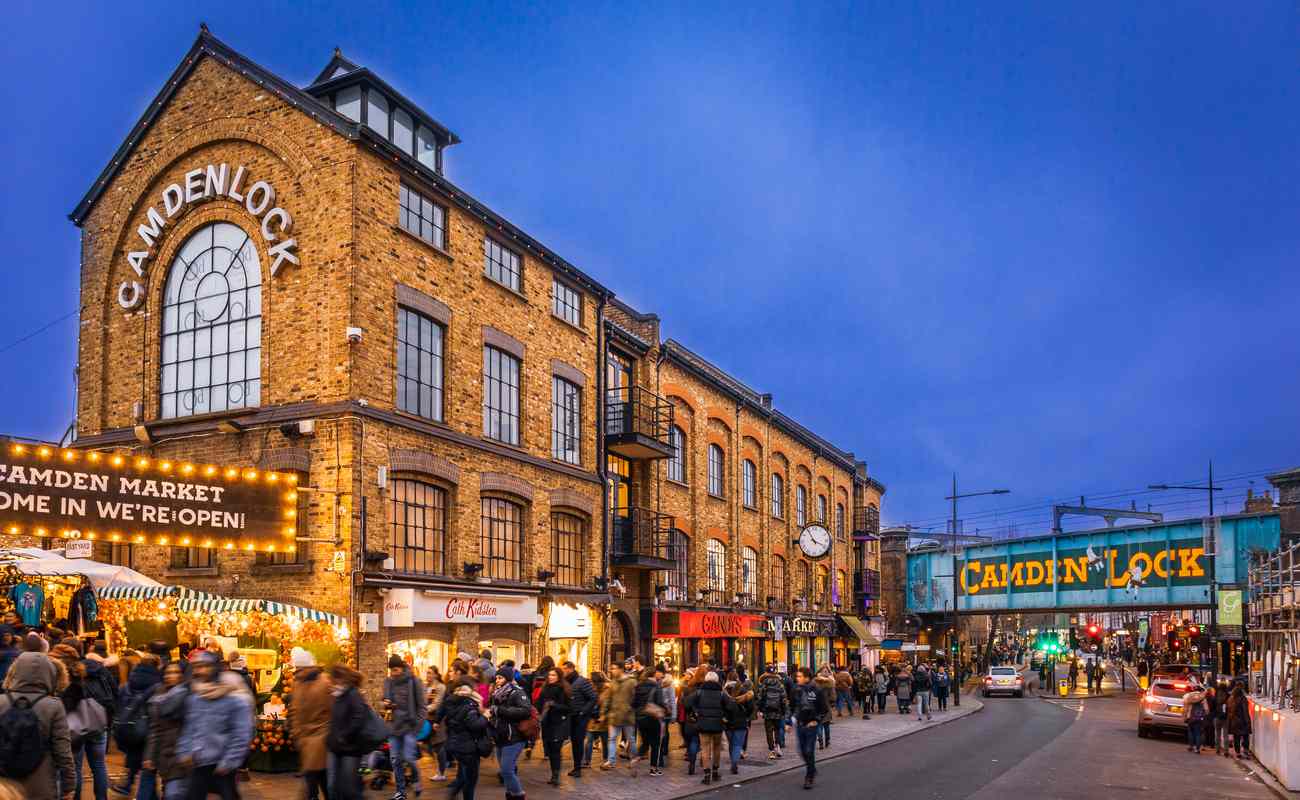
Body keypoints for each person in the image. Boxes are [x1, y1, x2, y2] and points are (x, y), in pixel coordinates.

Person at [175, 651, 254, 800]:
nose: (201, 671)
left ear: (215, 668)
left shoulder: (235, 700)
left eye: (205, 666)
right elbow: (189, 728)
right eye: (197, 666)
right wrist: (184, 752)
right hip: (199, 764)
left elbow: (241, 734)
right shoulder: (195, 698)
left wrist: (229, 762)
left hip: (222, 767)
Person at [0, 651, 75, 800]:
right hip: (41, 782)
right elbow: (63, 750)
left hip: (5, 785)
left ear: (14, 672)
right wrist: (69, 785)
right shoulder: (53, 705)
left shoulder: (1, 701)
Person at [50, 643, 110, 800]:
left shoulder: (64, 680)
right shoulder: (95, 671)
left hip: (75, 729)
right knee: (99, 765)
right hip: (96, 723)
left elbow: (66, 706)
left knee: (75, 767)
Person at [111, 652, 161, 797]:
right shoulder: (157, 683)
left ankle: (128, 784)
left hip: (129, 729)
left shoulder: (127, 684)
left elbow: (118, 705)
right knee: (148, 769)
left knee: (136, 761)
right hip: (148, 731)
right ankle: (132, 788)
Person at [286, 648, 331, 800]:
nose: (297, 671)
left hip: (315, 740)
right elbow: (294, 710)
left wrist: (296, 733)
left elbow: (294, 711)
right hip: (312, 741)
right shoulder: (301, 683)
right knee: (320, 782)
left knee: (315, 784)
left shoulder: (321, 682)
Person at [435, 680, 489, 800]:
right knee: (470, 779)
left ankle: (453, 794)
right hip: (468, 746)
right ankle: (457, 795)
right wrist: (485, 717)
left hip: (455, 744)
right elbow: (475, 725)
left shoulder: (450, 702)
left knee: (464, 775)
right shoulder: (469, 705)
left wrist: (437, 721)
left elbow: (441, 711)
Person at [383, 654, 426, 800]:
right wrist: (386, 704)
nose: (392, 673)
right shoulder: (388, 682)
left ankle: (416, 781)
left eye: (394, 670)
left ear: (401, 668)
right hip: (393, 727)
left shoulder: (414, 681)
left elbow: (422, 707)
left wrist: (417, 728)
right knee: (395, 760)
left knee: (409, 758)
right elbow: (384, 701)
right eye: (390, 671)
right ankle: (401, 791)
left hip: (409, 727)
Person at [144, 661, 188, 800]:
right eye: (168, 672)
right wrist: (149, 756)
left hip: (184, 755)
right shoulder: (158, 696)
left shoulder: (189, 697)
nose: (171, 676)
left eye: (175, 672)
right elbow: (154, 729)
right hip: (165, 756)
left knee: (173, 793)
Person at [325, 665, 370, 800]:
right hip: (334, 746)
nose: (331, 683)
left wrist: (344, 735)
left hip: (351, 748)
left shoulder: (354, 694)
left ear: (341, 679)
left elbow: (359, 718)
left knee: (349, 789)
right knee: (332, 785)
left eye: (333, 680)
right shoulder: (335, 696)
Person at [684, 670, 735, 786]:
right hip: (717, 724)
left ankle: (707, 774)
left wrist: (694, 712)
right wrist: (726, 717)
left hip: (703, 724)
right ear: (717, 680)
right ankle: (715, 772)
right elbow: (731, 706)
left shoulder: (699, 692)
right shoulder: (721, 693)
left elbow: (686, 703)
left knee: (705, 748)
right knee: (716, 748)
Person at [488, 669, 532, 800]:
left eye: (500, 678)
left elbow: (525, 710)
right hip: (500, 736)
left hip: (514, 737)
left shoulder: (517, 692)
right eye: (496, 678)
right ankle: (511, 795)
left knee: (506, 770)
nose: (497, 681)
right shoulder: (497, 693)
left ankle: (518, 795)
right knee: (505, 771)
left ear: (507, 678)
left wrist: (500, 710)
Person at [791, 667, 829, 790]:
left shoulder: (816, 690)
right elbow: (792, 706)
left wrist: (816, 720)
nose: (797, 678)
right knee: (801, 751)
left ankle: (809, 777)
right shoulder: (796, 690)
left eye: (800, 676)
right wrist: (788, 721)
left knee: (809, 750)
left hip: (811, 726)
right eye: (797, 676)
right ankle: (812, 768)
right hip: (799, 724)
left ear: (807, 678)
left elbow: (824, 709)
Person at [535, 667, 571, 785]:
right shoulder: (545, 689)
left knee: (556, 749)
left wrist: (554, 705)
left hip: (559, 723)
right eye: (550, 675)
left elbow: (569, 708)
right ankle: (553, 773)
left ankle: (556, 775)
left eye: (554, 675)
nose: (551, 677)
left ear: (559, 677)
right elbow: (539, 703)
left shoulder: (563, 689)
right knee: (549, 750)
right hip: (547, 723)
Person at [599, 661, 636, 772]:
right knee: (612, 739)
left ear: (620, 669)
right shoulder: (613, 683)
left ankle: (633, 759)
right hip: (614, 716)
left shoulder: (631, 682)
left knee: (631, 739)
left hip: (627, 716)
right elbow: (608, 699)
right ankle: (611, 761)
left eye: (614, 668)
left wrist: (631, 708)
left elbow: (636, 698)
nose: (612, 671)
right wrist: (603, 713)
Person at [561, 661, 596, 778]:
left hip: (580, 718)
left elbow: (593, 697)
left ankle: (578, 768)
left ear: (570, 669)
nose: (563, 671)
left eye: (565, 669)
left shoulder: (582, 681)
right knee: (575, 742)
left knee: (578, 742)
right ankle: (576, 767)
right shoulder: (566, 682)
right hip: (571, 717)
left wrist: (583, 711)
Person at [629, 667, 663, 776]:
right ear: (654, 675)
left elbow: (633, 703)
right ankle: (653, 769)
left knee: (645, 742)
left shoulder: (638, 686)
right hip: (652, 717)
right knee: (655, 744)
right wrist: (664, 710)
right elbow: (660, 702)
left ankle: (635, 759)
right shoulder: (656, 686)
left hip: (640, 718)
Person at [723, 673, 753, 776]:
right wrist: (747, 716)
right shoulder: (744, 690)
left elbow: (721, 706)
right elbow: (750, 706)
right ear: (737, 679)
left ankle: (733, 760)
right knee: (737, 744)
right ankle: (734, 763)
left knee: (732, 743)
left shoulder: (724, 691)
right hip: (741, 721)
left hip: (727, 722)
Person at [758, 665, 788, 759]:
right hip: (778, 710)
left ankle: (771, 750)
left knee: (769, 731)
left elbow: (760, 697)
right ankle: (778, 747)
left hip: (767, 711)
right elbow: (783, 698)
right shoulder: (780, 684)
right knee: (777, 730)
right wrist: (784, 710)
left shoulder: (764, 683)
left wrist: (760, 709)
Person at [424, 666, 449, 781]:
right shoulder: (426, 687)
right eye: (427, 673)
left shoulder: (440, 687)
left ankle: (441, 772)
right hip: (427, 719)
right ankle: (441, 766)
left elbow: (437, 704)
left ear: (435, 674)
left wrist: (423, 709)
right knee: (429, 745)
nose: (427, 675)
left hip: (437, 720)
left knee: (438, 746)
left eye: (429, 673)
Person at [583, 671, 608, 768]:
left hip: (602, 719)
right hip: (593, 719)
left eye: (592, 681)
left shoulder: (606, 690)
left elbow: (607, 704)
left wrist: (603, 715)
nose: (591, 682)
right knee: (589, 740)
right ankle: (587, 761)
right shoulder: (591, 689)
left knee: (604, 741)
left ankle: (605, 760)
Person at [654, 666, 676, 771]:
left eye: (657, 672)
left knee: (663, 732)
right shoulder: (654, 682)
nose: (656, 674)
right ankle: (661, 753)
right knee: (660, 732)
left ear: (662, 673)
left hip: (665, 712)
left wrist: (673, 715)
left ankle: (663, 752)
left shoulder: (668, 684)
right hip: (656, 712)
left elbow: (672, 700)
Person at [1227, 683, 1252, 758]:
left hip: (1234, 721)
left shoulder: (1230, 699)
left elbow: (1228, 710)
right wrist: (1248, 722)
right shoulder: (1243, 699)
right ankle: (1246, 750)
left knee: (1236, 737)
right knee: (1245, 736)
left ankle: (1237, 752)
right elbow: (1245, 711)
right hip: (1242, 721)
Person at [1182, 684, 1208, 753]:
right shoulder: (1203, 698)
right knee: (1198, 733)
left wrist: (1184, 717)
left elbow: (1185, 708)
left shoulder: (1188, 696)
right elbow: (1206, 709)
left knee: (1190, 732)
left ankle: (1191, 746)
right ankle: (1197, 749)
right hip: (1199, 718)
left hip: (1190, 717)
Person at [813, 667, 835, 748]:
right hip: (826, 706)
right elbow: (832, 696)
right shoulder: (830, 682)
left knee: (819, 725)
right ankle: (827, 741)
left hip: (817, 706)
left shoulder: (815, 681)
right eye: (826, 671)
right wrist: (832, 702)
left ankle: (820, 741)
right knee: (826, 725)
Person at [1212, 681, 1231, 757]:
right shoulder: (1228, 696)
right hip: (1225, 717)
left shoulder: (1216, 695)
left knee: (1217, 733)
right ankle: (1226, 750)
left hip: (1217, 717)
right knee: (1225, 734)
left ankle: (1217, 749)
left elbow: (1212, 707)